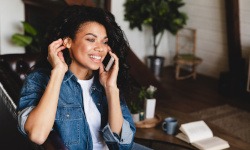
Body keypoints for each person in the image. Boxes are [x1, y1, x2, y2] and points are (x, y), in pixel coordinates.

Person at [17, 5, 142, 150]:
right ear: (68, 42)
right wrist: (58, 72)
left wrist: (111, 89)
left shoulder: (105, 81)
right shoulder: (39, 79)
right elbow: (37, 135)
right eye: (91, 39)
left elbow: (123, 145)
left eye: (104, 41)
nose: (100, 48)